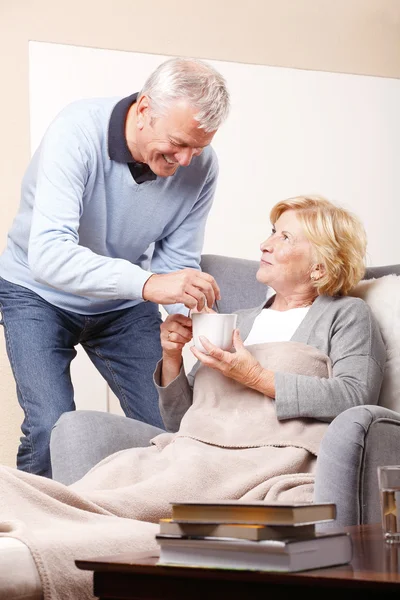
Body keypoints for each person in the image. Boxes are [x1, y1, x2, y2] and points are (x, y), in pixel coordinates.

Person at [0, 195, 386, 600]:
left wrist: (253, 374)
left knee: (108, 510)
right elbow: (183, 418)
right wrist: (170, 358)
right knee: (65, 493)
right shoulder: (240, 321)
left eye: (284, 236)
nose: (265, 244)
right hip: (184, 450)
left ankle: (45, 553)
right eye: (271, 232)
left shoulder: (346, 315)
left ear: (320, 265)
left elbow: (353, 396)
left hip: (257, 460)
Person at [0, 56, 230, 477]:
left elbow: (176, 261)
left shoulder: (201, 166)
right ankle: (33, 530)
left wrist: (193, 326)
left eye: (199, 146)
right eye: (178, 143)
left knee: (171, 428)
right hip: (36, 293)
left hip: (122, 302)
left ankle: (143, 527)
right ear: (144, 110)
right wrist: (149, 285)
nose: (185, 160)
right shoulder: (77, 132)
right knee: (51, 428)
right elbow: (49, 254)